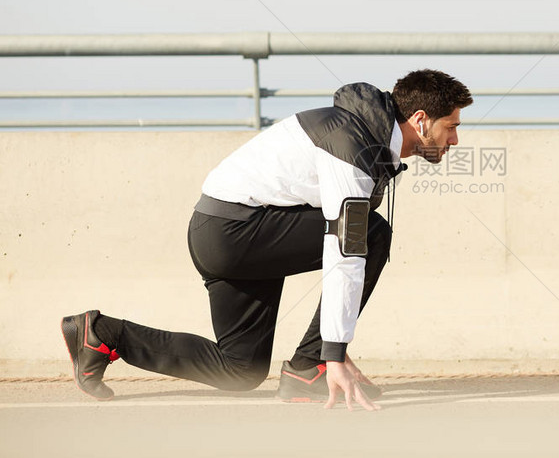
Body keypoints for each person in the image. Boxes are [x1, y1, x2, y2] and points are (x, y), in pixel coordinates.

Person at [61, 70, 472, 411]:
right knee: (369, 235)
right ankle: (311, 367)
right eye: (450, 127)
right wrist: (333, 349)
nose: (454, 140)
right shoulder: (352, 143)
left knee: (239, 370)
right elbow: (344, 250)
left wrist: (336, 344)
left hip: (231, 231)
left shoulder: (365, 136)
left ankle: (101, 334)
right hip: (235, 232)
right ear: (420, 120)